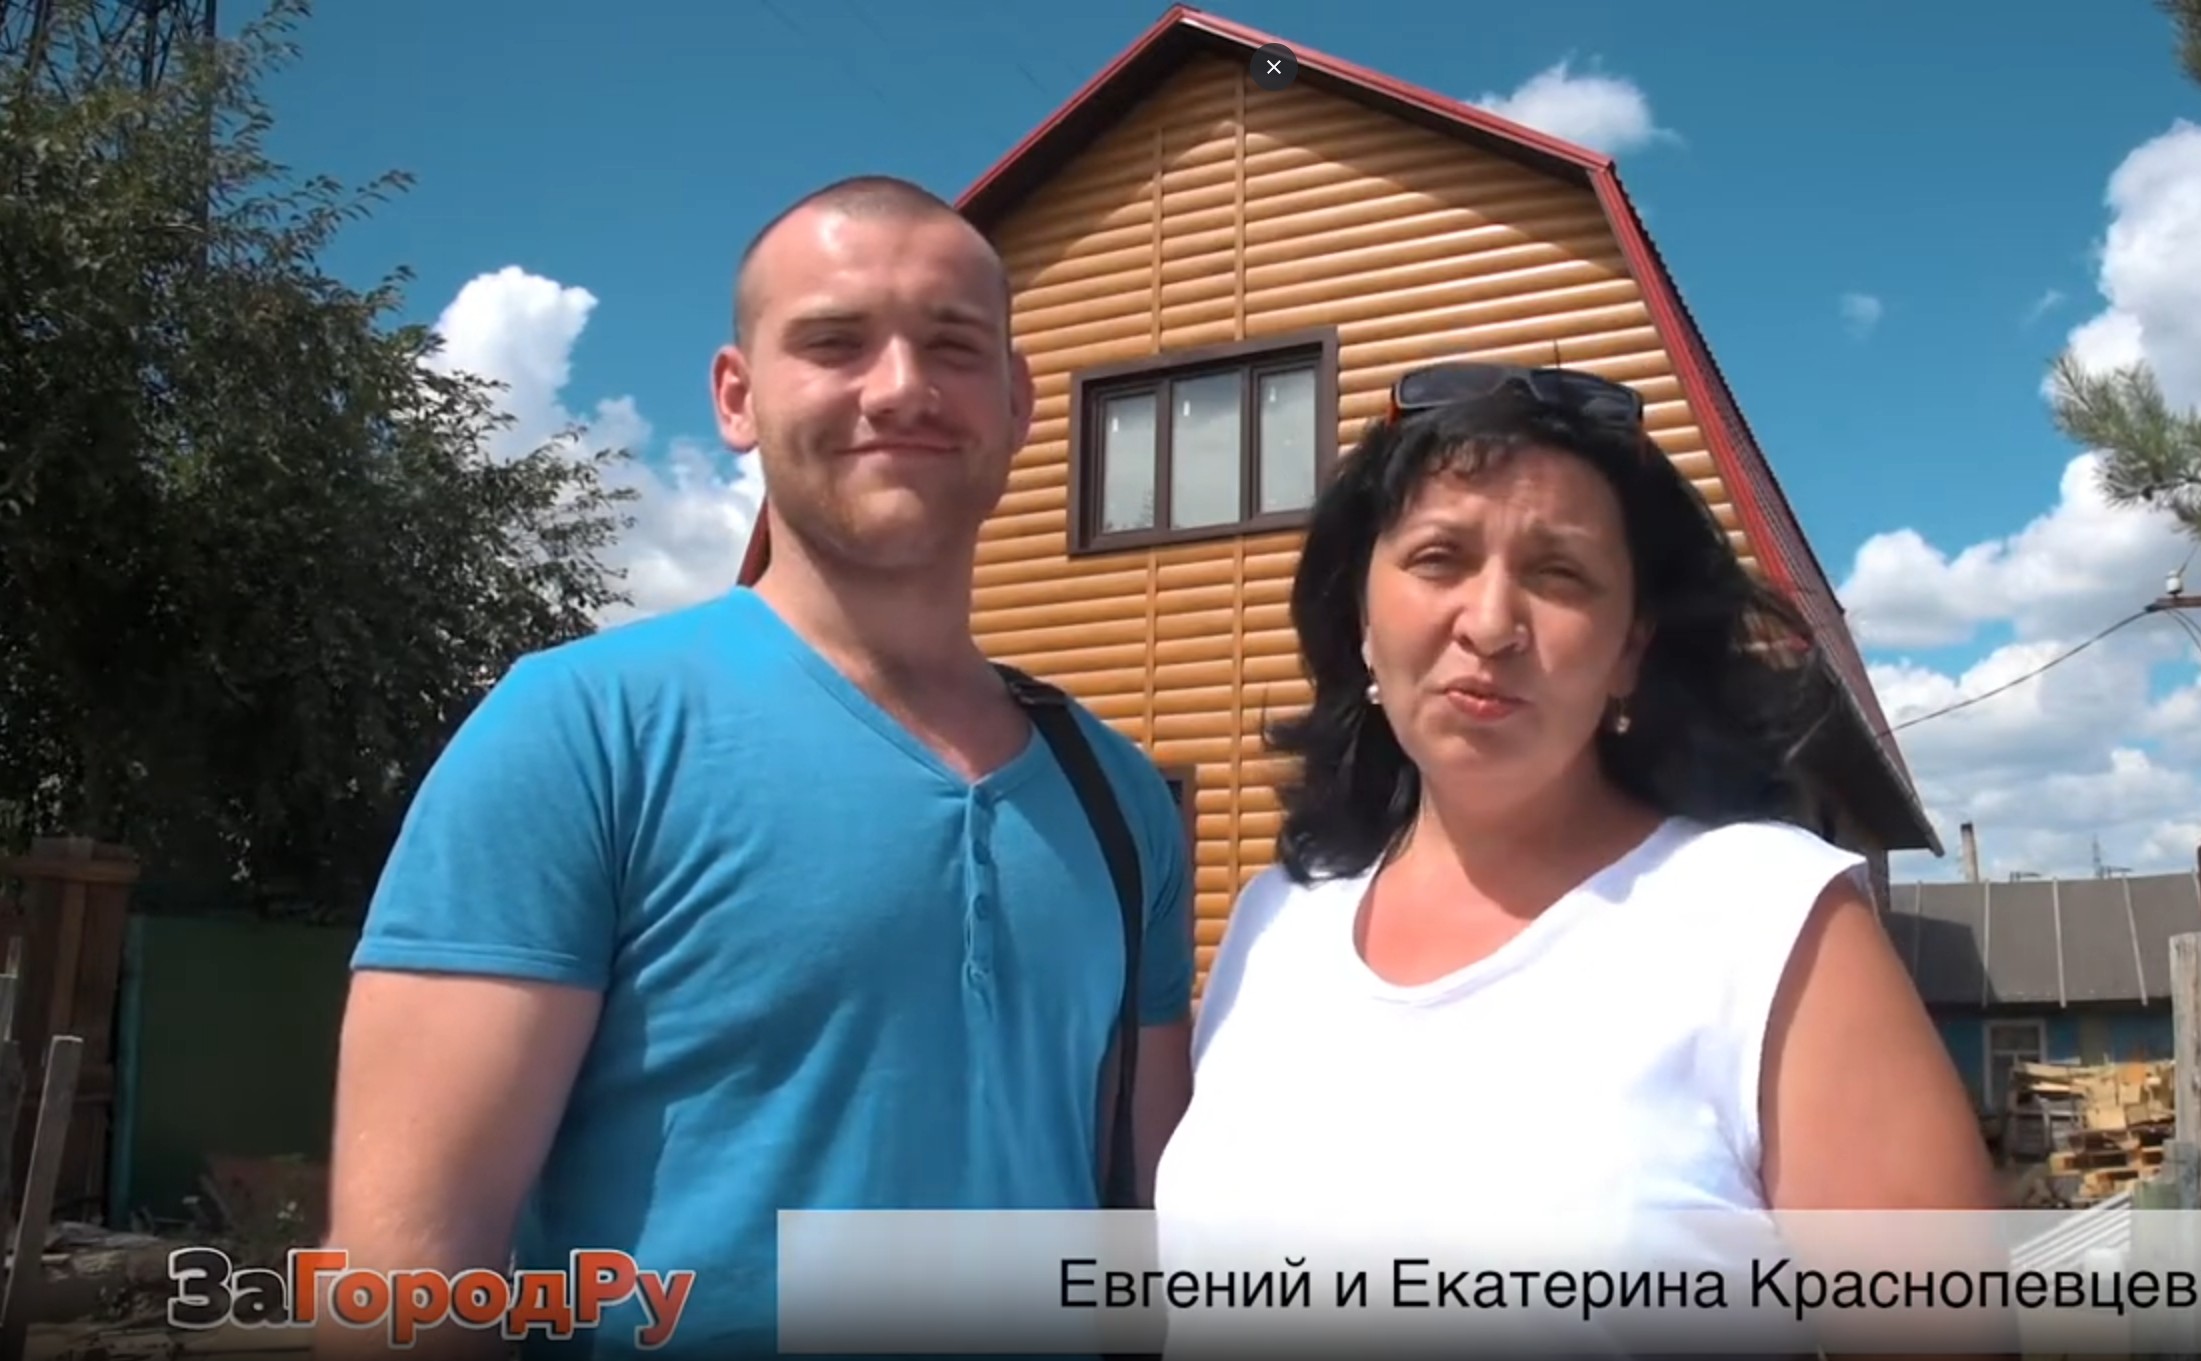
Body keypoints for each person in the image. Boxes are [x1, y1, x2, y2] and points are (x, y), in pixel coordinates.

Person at [322, 176, 1196, 1360]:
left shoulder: (1120, 798)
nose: (901, 386)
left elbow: (1143, 1242)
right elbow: (407, 1283)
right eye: (835, 342)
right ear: (737, 397)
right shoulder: (581, 733)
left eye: (954, 346)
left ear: (1018, 398)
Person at [1151, 362, 2000, 1356]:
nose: (1490, 623)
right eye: (1438, 557)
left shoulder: (1767, 923)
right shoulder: (1274, 922)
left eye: (1559, 574)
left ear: (1630, 646)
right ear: (1361, 620)